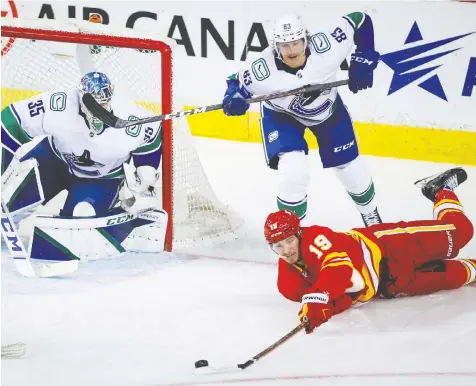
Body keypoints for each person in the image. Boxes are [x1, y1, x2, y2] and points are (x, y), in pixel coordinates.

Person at [263, 168, 475, 334]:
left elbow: (339, 269)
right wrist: (327, 309)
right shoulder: (288, 285)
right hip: (389, 285)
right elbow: (348, 294)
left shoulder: (315, 237)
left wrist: (318, 297)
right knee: (456, 275)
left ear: (299, 234)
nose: (286, 251)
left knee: (460, 233)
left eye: (289, 240)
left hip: (391, 246)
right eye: (277, 245)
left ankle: (439, 190)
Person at [223, 12, 382, 226]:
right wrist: (233, 98)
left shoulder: (328, 47)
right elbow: (235, 82)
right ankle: (292, 232)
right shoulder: (262, 69)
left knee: (350, 168)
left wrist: (364, 55)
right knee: (294, 170)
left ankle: (372, 217)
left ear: (305, 39)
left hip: (329, 112)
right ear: (276, 46)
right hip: (282, 116)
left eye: (296, 43)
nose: (291, 51)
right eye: (284, 45)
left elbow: (359, 20)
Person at [1, 71, 162, 217]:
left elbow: (151, 141)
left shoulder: (133, 117)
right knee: (11, 198)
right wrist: (4, 159)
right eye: (92, 104)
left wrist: (146, 182)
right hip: (53, 161)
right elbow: (11, 121)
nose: (99, 109)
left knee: (82, 218)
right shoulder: (58, 104)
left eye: (103, 104)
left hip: (103, 179)